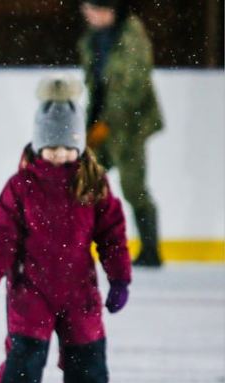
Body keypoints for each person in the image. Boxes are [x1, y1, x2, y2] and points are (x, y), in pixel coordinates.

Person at [0, 76, 131, 383]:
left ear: (79, 145)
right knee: (24, 361)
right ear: (38, 144)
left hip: (80, 292)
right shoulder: (21, 185)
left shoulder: (93, 183)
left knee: (89, 363)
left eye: (66, 146)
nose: (59, 154)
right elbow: (3, 237)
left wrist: (119, 279)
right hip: (31, 292)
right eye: (51, 146)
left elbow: (113, 236)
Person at [79, 0, 164, 267]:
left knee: (133, 185)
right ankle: (76, 246)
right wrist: (95, 121)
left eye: (93, 10)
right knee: (85, 182)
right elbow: (97, 84)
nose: (88, 15)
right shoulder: (91, 39)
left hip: (130, 124)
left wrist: (109, 119)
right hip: (102, 123)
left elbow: (133, 84)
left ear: (109, 10)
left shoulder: (130, 35)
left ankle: (150, 250)